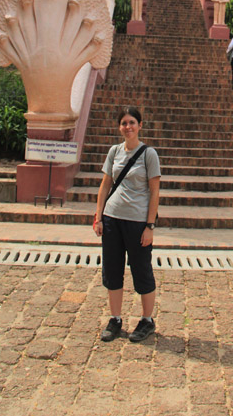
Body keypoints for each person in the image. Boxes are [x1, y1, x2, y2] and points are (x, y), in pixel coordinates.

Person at [93, 106, 161, 343]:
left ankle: (146, 320)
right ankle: (115, 319)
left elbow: (154, 192)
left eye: (132, 122)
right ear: (119, 126)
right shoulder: (114, 151)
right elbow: (105, 184)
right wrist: (98, 216)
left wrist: (149, 226)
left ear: (140, 126)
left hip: (137, 222)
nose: (128, 127)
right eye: (124, 123)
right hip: (112, 219)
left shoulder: (148, 154)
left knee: (141, 269)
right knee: (112, 270)